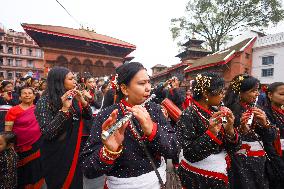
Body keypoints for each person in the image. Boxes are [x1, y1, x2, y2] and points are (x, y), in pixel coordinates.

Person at [81, 62, 179, 189]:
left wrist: (153, 131)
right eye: (142, 83)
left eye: (148, 82)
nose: (148, 87)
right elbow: (88, 169)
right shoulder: (107, 115)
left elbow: (174, 150)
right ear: (124, 89)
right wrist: (109, 151)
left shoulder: (155, 109)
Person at [177, 73, 241, 189]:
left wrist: (230, 130)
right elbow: (189, 154)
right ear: (206, 93)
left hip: (219, 170)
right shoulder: (188, 115)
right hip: (199, 177)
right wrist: (211, 134)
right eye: (220, 92)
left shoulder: (215, 111)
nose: (223, 95)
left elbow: (233, 148)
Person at [35, 67, 93, 189]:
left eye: (74, 78)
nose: (75, 81)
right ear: (59, 81)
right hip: (56, 155)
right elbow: (48, 132)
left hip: (74, 151)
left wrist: (82, 101)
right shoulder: (44, 101)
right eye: (71, 78)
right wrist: (64, 109)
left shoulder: (73, 98)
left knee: (76, 184)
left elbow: (88, 117)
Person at [224, 74, 276, 189]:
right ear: (239, 92)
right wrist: (239, 131)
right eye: (253, 91)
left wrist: (265, 125)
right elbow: (223, 141)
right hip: (238, 164)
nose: (257, 94)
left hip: (259, 163)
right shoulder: (228, 111)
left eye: (257, 90)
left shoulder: (258, 109)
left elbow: (271, 138)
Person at [5, 87, 44, 189]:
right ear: (20, 96)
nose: (27, 95)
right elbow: (8, 131)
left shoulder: (39, 109)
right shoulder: (13, 111)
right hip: (18, 147)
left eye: (30, 93)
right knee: (22, 173)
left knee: (35, 171)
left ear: (34, 96)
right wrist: (10, 147)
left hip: (37, 145)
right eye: (24, 93)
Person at [262, 82, 284, 189]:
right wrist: (278, 162)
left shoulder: (282, 111)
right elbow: (268, 142)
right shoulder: (264, 113)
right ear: (270, 95)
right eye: (281, 94)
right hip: (274, 158)